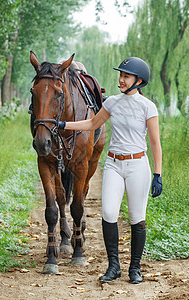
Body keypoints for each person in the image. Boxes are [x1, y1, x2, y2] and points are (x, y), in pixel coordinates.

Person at [58, 57, 162, 284]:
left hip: (138, 165)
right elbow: (91, 124)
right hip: (114, 164)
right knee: (108, 213)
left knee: (137, 217)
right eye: (121, 75)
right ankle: (113, 266)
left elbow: (155, 143)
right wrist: (65, 125)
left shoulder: (148, 107)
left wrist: (158, 174)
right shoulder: (113, 102)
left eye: (126, 76)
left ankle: (135, 268)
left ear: (139, 80)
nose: (121, 79)